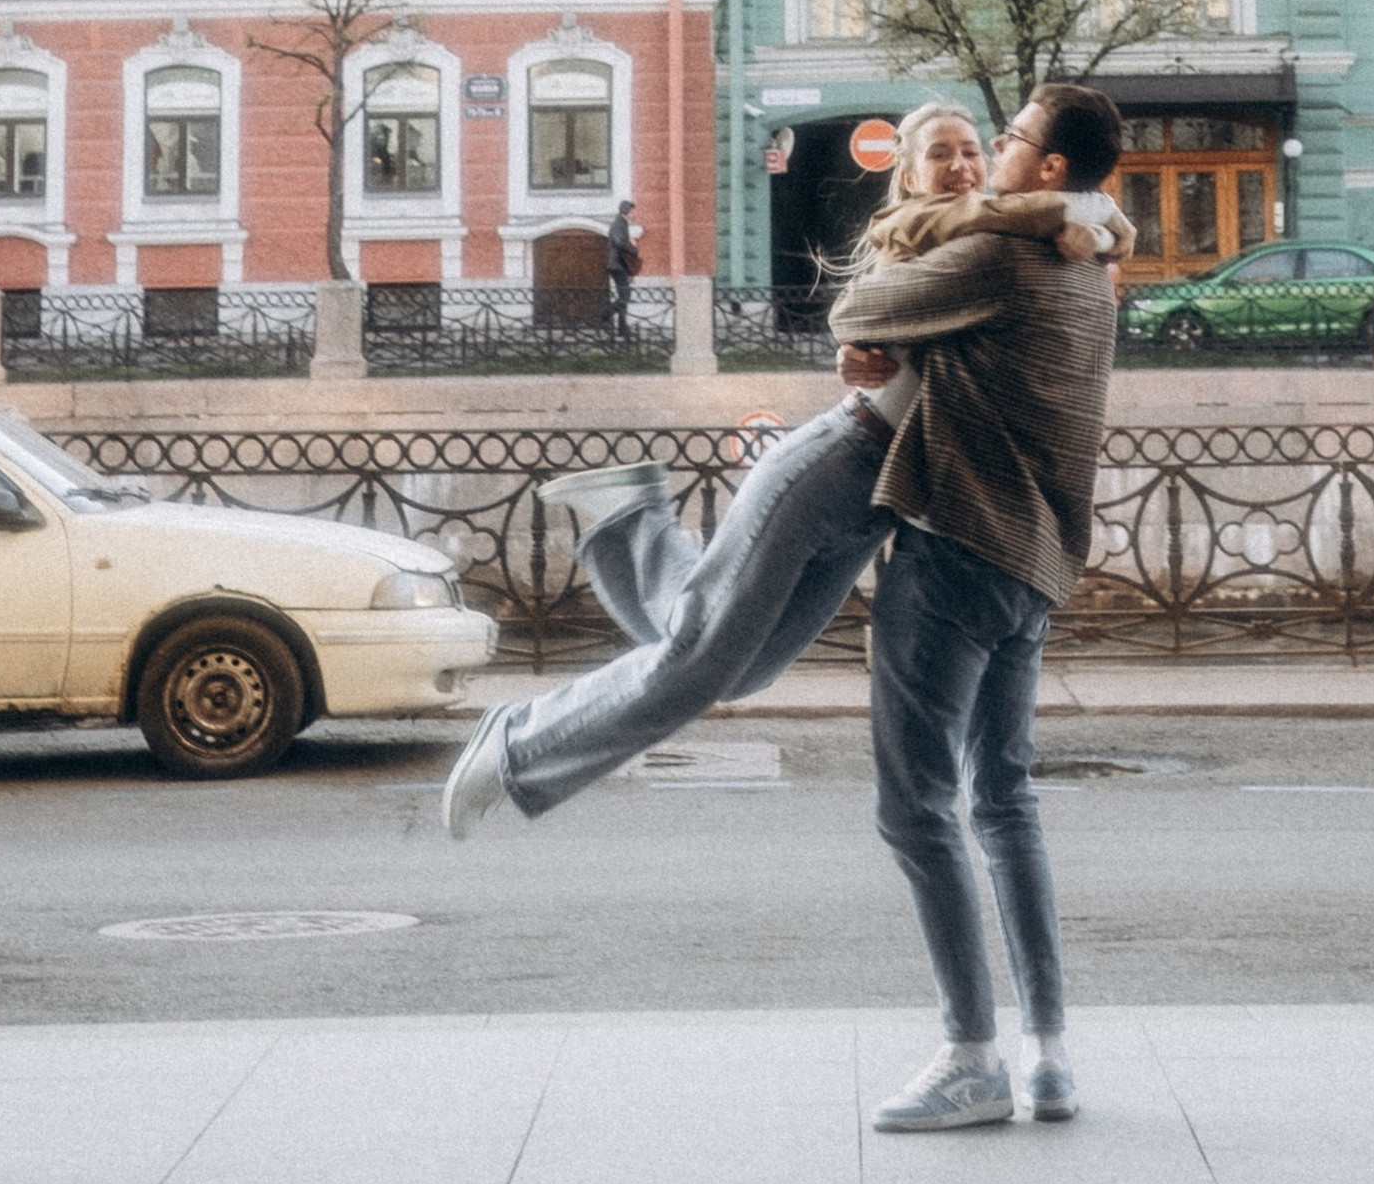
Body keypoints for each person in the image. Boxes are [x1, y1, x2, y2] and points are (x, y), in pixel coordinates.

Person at [441, 102, 1125, 837]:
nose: (961, 166)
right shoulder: (950, 236)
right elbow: (868, 315)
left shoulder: (1002, 228)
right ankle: (516, 743)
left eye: (972, 151)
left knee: (742, 666)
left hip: (879, 499)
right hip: (831, 465)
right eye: (940, 156)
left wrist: (1090, 225)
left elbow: (1100, 217)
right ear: (911, 172)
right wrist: (858, 344)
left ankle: (628, 516)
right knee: (702, 654)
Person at [827, 79, 1126, 1138]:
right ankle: (1049, 1056)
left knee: (915, 808)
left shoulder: (1003, 256)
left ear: (1048, 170)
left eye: (1010, 141)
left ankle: (969, 1058)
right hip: (1035, 564)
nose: (993, 152)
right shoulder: (1096, 265)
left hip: (955, 545)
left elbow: (856, 309)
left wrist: (879, 344)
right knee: (1005, 801)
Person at [604, 197, 642, 336]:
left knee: (624, 295)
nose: (634, 214)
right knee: (625, 295)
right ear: (626, 211)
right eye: (632, 211)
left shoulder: (622, 223)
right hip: (617, 265)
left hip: (619, 265)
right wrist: (634, 250)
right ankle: (606, 315)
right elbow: (620, 242)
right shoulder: (618, 224)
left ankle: (621, 327)